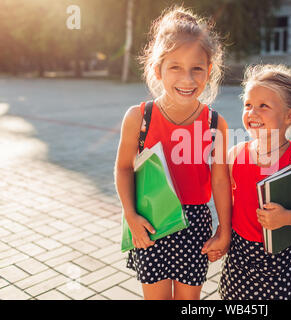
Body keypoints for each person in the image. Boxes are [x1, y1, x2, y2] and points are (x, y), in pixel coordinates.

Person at [114, 6, 231, 300]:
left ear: (210, 71)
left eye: (197, 68)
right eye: (175, 67)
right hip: (150, 220)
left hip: (195, 227)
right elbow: (124, 169)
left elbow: (220, 181)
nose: (187, 79)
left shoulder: (216, 123)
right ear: (158, 70)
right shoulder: (139, 117)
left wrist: (224, 230)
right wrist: (130, 215)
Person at [219, 64, 291, 300]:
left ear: (289, 115)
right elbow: (228, 200)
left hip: (278, 261)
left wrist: (287, 217)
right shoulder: (235, 154)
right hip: (239, 256)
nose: (252, 113)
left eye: (263, 106)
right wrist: (223, 232)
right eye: (248, 105)